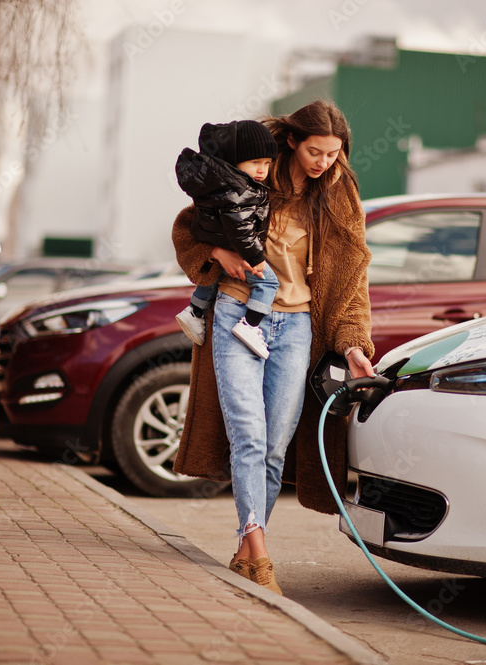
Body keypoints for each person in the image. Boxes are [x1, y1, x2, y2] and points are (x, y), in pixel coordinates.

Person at [170, 101, 375, 595]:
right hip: (238, 314)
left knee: (275, 448)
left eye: (333, 154)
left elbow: (351, 281)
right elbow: (187, 226)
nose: (323, 162)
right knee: (249, 436)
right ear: (292, 142)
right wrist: (215, 252)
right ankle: (259, 553)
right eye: (314, 151)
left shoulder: (338, 194)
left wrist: (352, 344)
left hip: (298, 328)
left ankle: (244, 551)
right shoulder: (253, 173)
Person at [174, 120, 279, 359]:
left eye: (267, 163)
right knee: (269, 283)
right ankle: (251, 325)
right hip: (237, 247)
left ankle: (195, 310)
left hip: (218, 241)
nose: (262, 170)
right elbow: (240, 227)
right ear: (236, 161)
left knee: (216, 272)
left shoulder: (220, 184)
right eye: (255, 162)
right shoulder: (238, 190)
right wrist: (255, 256)